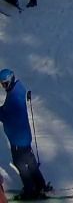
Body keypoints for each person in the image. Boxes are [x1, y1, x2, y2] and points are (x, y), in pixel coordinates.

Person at [0, 69, 50, 199]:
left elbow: (5, 115)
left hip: (17, 139)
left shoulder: (13, 100)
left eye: (5, 83)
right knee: (30, 162)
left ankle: (30, 190)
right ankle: (40, 185)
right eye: (2, 84)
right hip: (24, 137)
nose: (3, 86)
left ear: (10, 80)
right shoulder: (17, 90)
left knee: (20, 164)